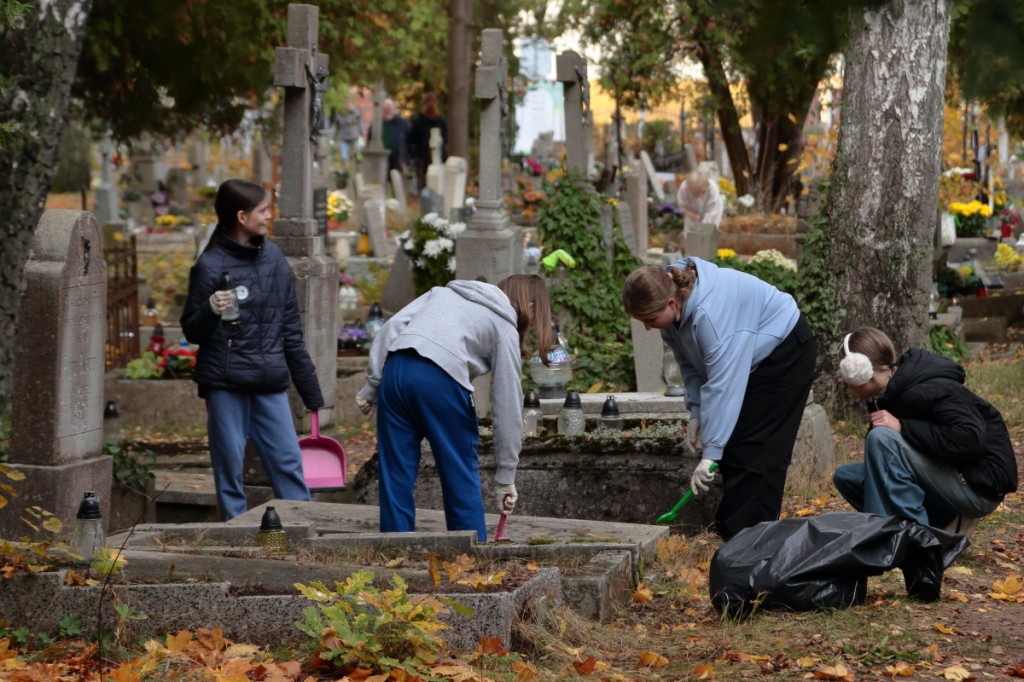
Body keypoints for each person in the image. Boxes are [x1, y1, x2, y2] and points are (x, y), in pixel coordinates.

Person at [622, 257, 815, 540]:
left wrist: (710, 453)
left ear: (672, 304)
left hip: (784, 352)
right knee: (734, 443)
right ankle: (733, 532)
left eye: (650, 320)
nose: (648, 328)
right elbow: (691, 366)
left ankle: (749, 541)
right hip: (750, 359)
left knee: (755, 447)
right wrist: (697, 413)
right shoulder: (671, 313)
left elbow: (724, 385)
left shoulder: (711, 317)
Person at [355, 275, 554, 542]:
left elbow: (390, 329)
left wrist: (372, 386)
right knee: (459, 472)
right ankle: (471, 558)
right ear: (529, 303)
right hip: (440, 380)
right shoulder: (503, 325)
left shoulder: (441, 293)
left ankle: (395, 552)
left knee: (395, 474)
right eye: (536, 310)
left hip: (396, 370)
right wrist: (506, 478)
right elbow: (507, 404)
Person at [181, 179, 324, 521]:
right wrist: (210, 309)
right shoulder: (210, 266)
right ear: (242, 217)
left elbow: (291, 329)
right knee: (229, 470)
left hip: (269, 382)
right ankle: (235, 536)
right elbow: (192, 330)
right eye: (263, 210)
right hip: (226, 384)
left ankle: (302, 532)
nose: (269, 216)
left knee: (289, 464)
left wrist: (311, 393)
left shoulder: (274, 258)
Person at [832, 327, 1017, 536]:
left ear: (861, 371)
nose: (845, 381)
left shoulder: (929, 387)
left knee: (882, 438)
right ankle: (929, 526)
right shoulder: (892, 394)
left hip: (979, 487)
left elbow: (970, 438)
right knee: (846, 476)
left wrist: (903, 427)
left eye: (846, 373)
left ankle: (916, 542)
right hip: (951, 475)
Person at [408, 92, 447, 194]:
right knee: (424, 179)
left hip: (433, 156)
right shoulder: (420, 120)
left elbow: (445, 138)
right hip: (423, 157)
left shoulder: (439, 121)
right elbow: (412, 138)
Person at [369, 98, 410, 173]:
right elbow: (369, 140)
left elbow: (409, 140)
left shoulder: (402, 123)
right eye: (385, 109)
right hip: (381, 156)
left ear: (393, 109)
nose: (387, 111)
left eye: (389, 109)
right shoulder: (376, 125)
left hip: (398, 158)